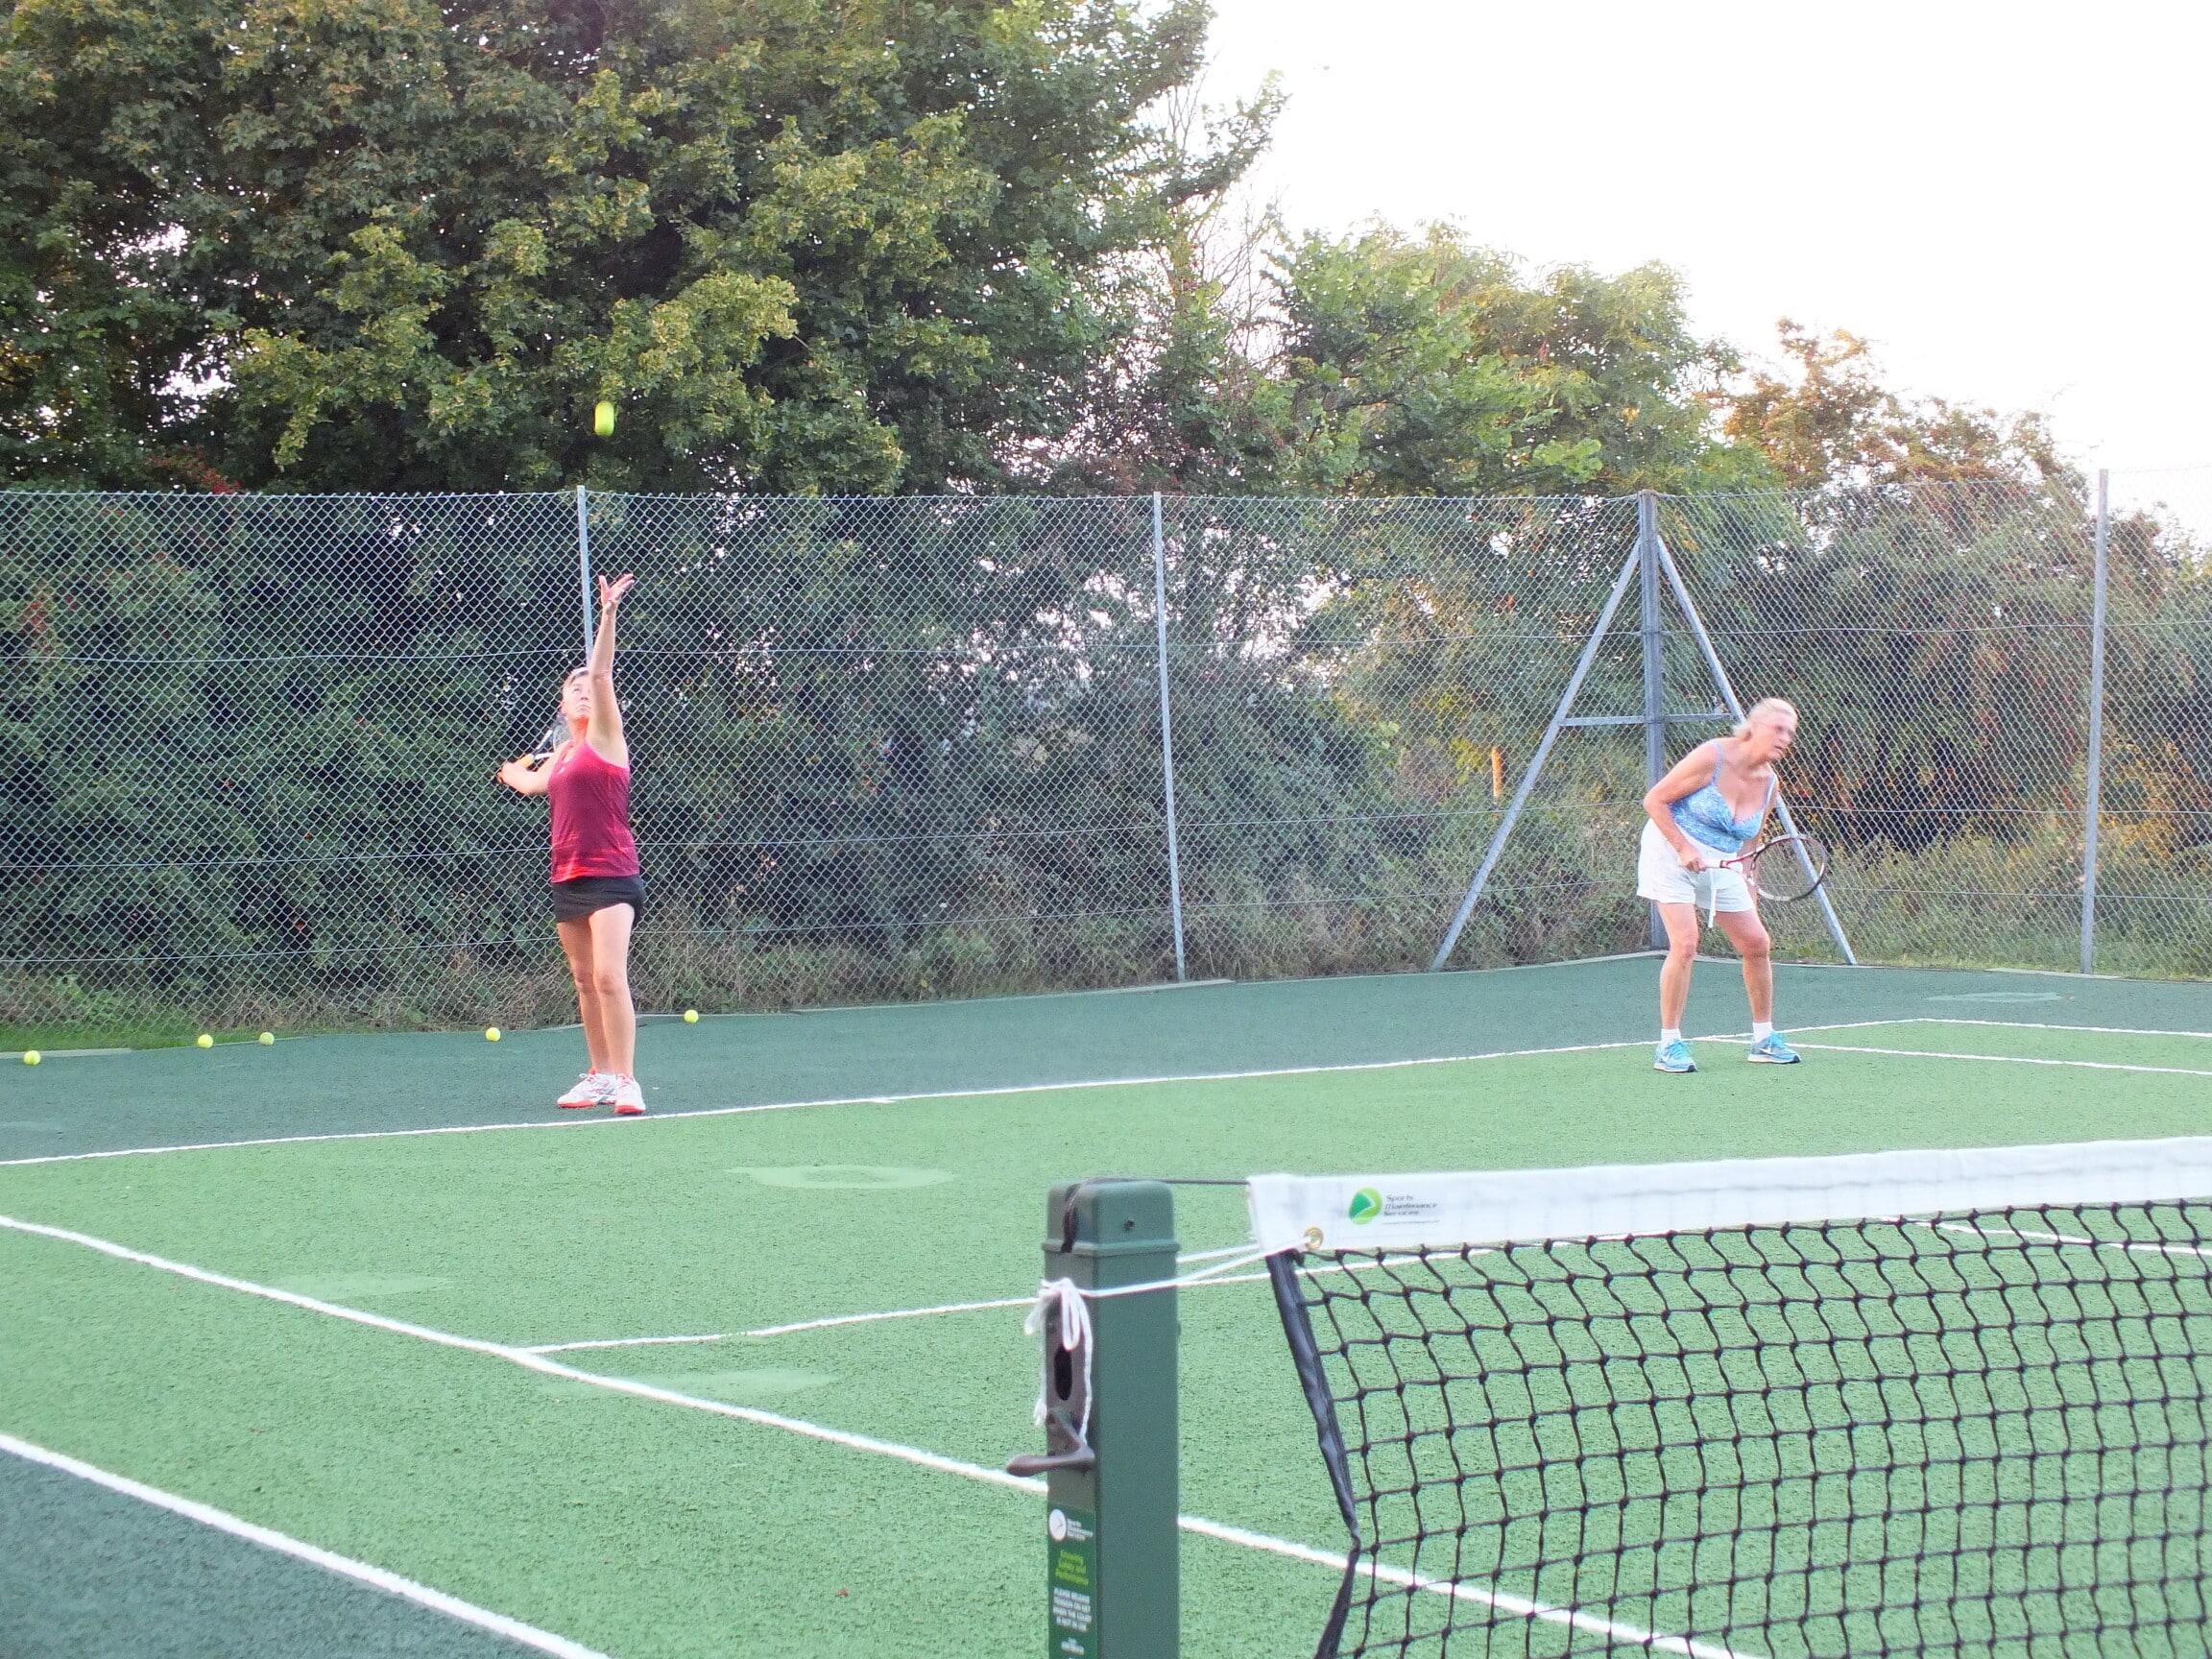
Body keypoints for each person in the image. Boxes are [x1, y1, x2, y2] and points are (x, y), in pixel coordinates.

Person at [498, 572, 646, 1114]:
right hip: (567, 876)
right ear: (562, 706)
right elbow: (528, 782)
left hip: (611, 873)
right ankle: (599, 1073)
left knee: (609, 976)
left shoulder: (608, 738)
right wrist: (509, 770)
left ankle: (627, 1080)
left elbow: (604, 672)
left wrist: (607, 613)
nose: (584, 687)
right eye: (574, 687)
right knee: (584, 981)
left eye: (590, 685)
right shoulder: (559, 757)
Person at [1637, 697, 1804, 1074]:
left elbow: (1749, 845)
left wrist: (1748, 885)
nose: (1785, 738)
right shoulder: (1711, 756)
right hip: (1669, 849)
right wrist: (1683, 847)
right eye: (1778, 729)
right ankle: (1669, 1044)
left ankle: (1763, 1039)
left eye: (1790, 733)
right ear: (1753, 728)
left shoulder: (1770, 783)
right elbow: (1654, 800)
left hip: (1722, 862)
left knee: (1757, 943)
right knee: (1686, 943)